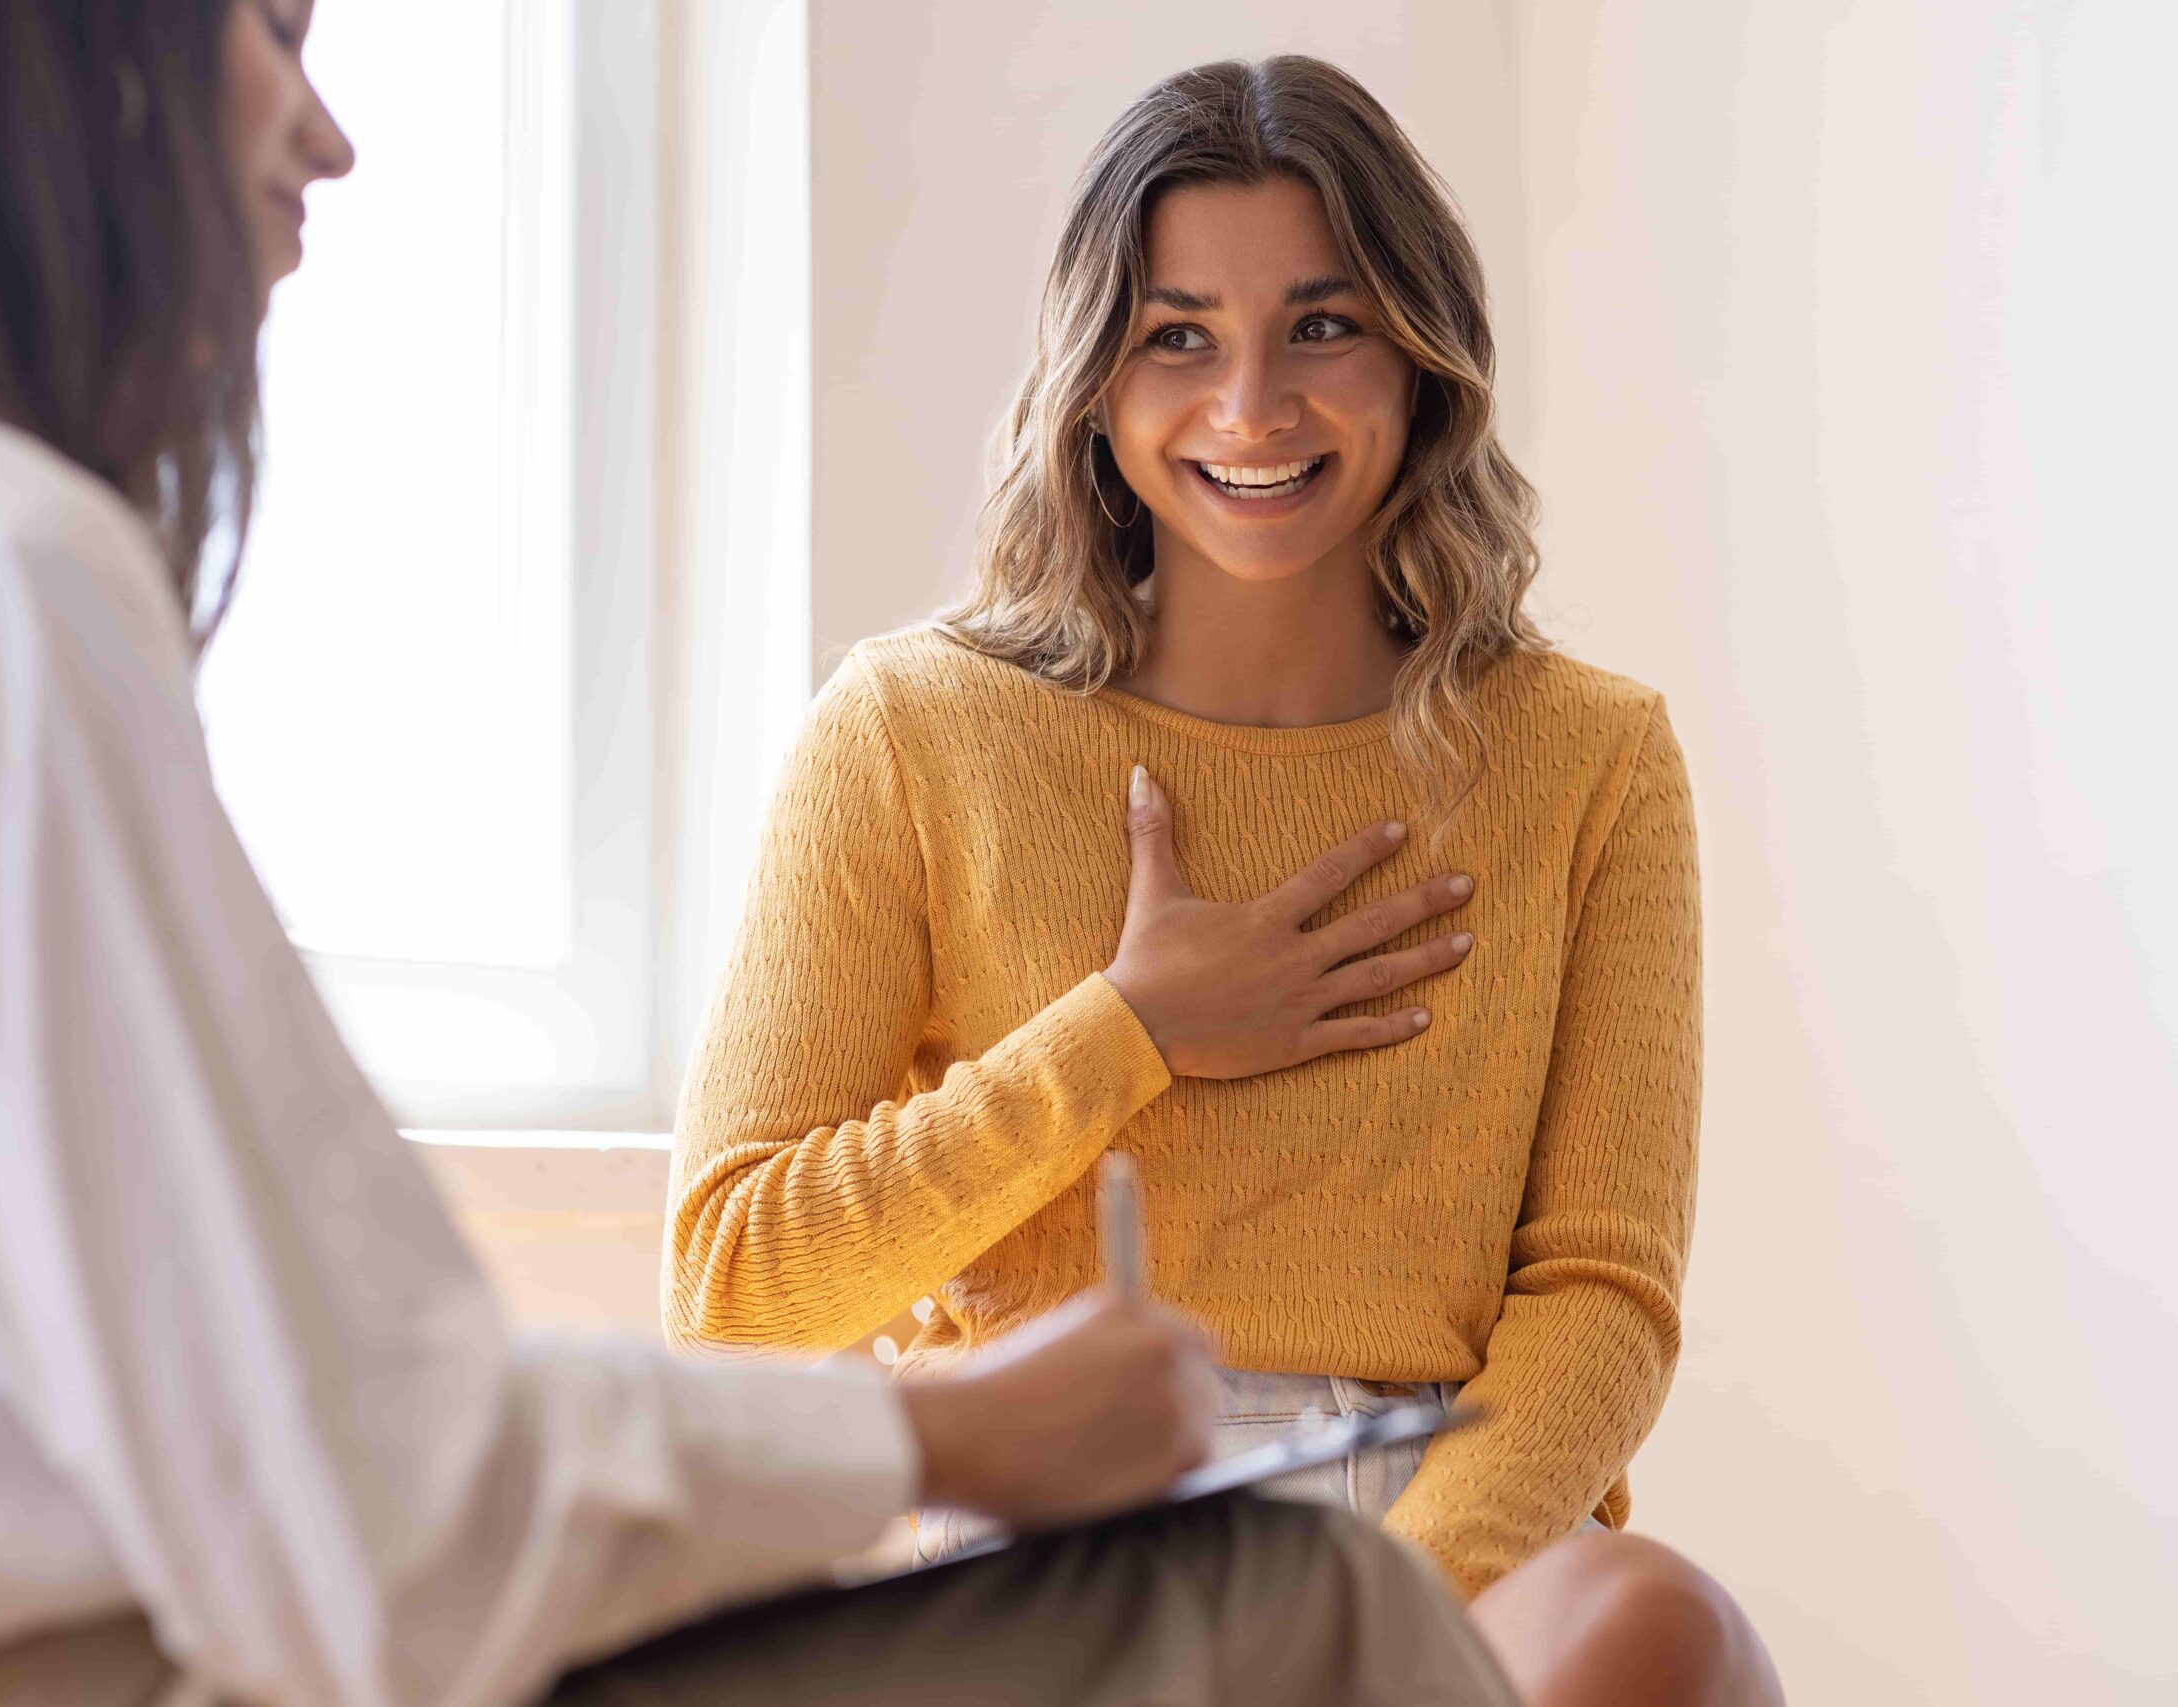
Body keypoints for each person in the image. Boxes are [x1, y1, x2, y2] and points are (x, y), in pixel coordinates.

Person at [0, 5, 1528, 1705]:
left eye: (1325, 330)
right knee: (1306, 1608)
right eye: (274, 32)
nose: (328, 138)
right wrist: (949, 1440)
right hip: (224, 1660)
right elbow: (402, 1525)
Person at [663, 56, 1784, 1706]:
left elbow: (1604, 1300)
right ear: (1097, 385)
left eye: (1321, 327)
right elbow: (732, 1295)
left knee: (1658, 1631)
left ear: (1418, 359)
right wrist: (1126, 1031)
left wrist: (1375, 1604)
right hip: (1064, 1531)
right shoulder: (906, 732)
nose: (1252, 405)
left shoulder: (1590, 756)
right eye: (1179, 336)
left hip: (1450, 1522)